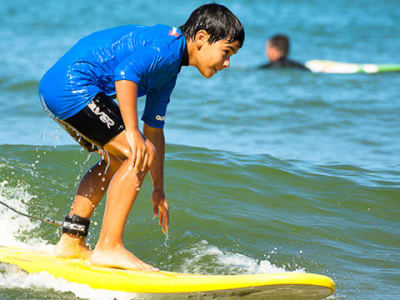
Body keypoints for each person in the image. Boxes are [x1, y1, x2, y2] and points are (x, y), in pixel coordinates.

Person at [39, 3, 244, 271]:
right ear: (202, 38)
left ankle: (71, 240)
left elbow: (155, 131)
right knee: (137, 152)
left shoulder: (169, 69)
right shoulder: (166, 49)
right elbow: (125, 75)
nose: (227, 63)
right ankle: (109, 247)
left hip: (61, 87)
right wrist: (133, 134)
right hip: (71, 86)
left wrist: (158, 188)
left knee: (119, 158)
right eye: (226, 52)